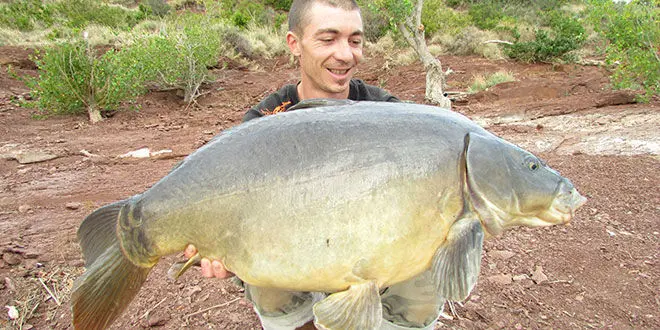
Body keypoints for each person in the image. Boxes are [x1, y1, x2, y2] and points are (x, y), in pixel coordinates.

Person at [185, 0, 445, 329]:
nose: (346, 54)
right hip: (297, 248)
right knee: (263, 277)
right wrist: (217, 250)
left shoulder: (387, 113)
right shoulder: (265, 121)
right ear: (295, 43)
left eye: (355, 40)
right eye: (328, 39)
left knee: (428, 261)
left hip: (370, 246)